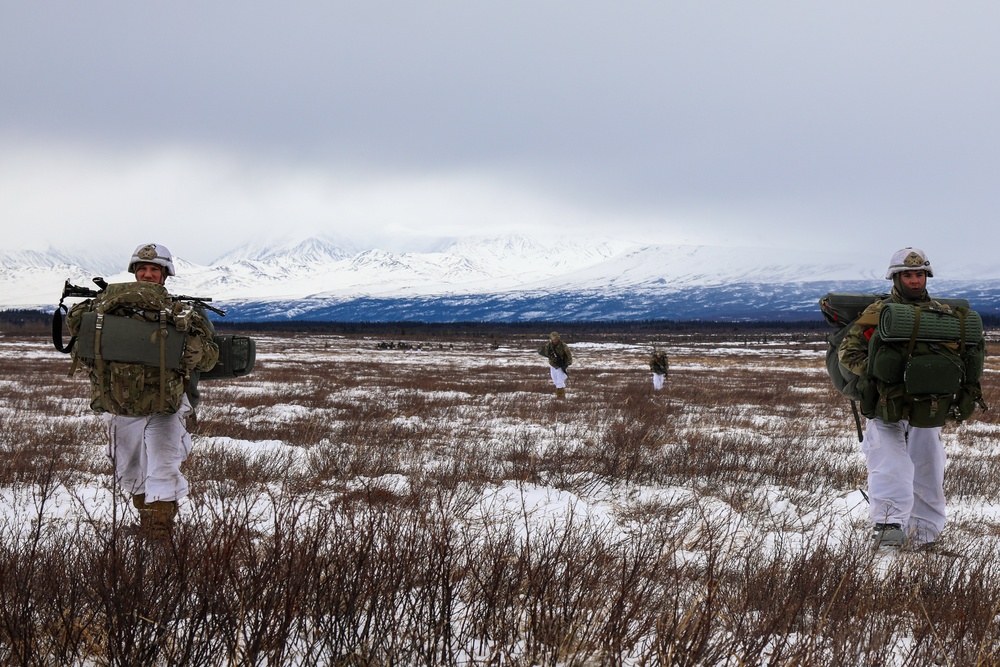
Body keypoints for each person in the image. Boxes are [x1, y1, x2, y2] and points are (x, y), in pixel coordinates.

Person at [68, 243, 219, 541]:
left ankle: (160, 530)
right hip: (123, 403)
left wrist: (188, 346)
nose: (148, 275)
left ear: (164, 275)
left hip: (169, 404)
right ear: (134, 272)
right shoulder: (108, 308)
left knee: (163, 463)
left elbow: (210, 358)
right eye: (143, 269)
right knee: (131, 465)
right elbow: (77, 331)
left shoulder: (184, 312)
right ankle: (147, 521)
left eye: (154, 270)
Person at [838, 247, 957, 550]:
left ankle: (924, 534)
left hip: (926, 405)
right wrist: (877, 373)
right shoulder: (878, 312)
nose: (915, 280)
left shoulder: (942, 314)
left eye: (919, 274)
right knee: (890, 464)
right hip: (885, 403)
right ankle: (888, 526)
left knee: (929, 465)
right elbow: (848, 352)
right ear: (896, 277)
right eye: (908, 275)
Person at [538, 331, 572, 398]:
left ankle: (561, 396)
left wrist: (567, 364)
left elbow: (569, 355)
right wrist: (552, 356)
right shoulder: (549, 345)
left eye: (556, 339)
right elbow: (544, 352)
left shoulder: (563, 345)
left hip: (561, 365)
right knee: (555, 379)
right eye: (553, 339)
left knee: (560, 380)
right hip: (553, 364)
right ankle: (559, 393)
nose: (555, 341)